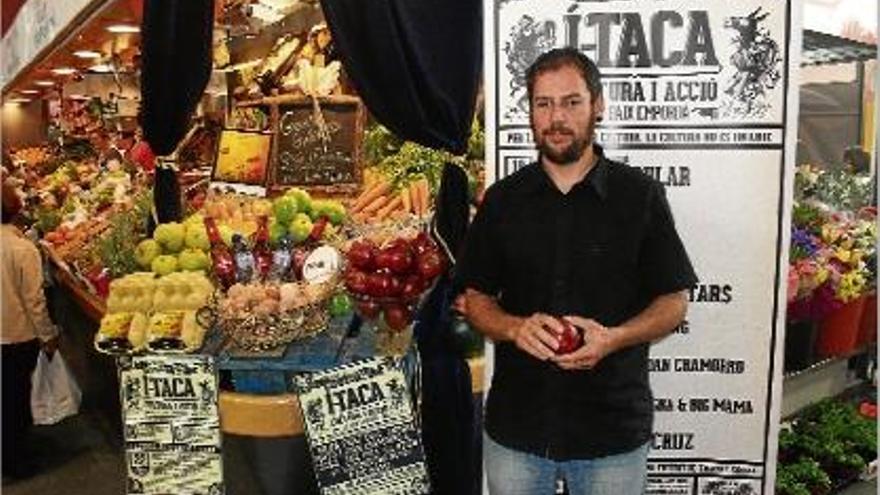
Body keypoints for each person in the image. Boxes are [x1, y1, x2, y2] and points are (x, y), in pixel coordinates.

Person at [457, 47, 697, 494]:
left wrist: (616, 338)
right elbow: (476, 300)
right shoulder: (502, 201)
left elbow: (674, 301)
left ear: (598, 105)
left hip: (612, 434)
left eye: (571, 102)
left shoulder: (639, 197)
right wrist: (512, 328)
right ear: (530, 112)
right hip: (518, 433)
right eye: (543, 104)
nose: (556, 118)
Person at [2, 181, 59, 479]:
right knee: (14, 399)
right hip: (14, 336)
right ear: (15, 211)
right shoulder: (22, 249)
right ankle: (15, 461)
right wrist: (48, 336)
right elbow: (34, 300)